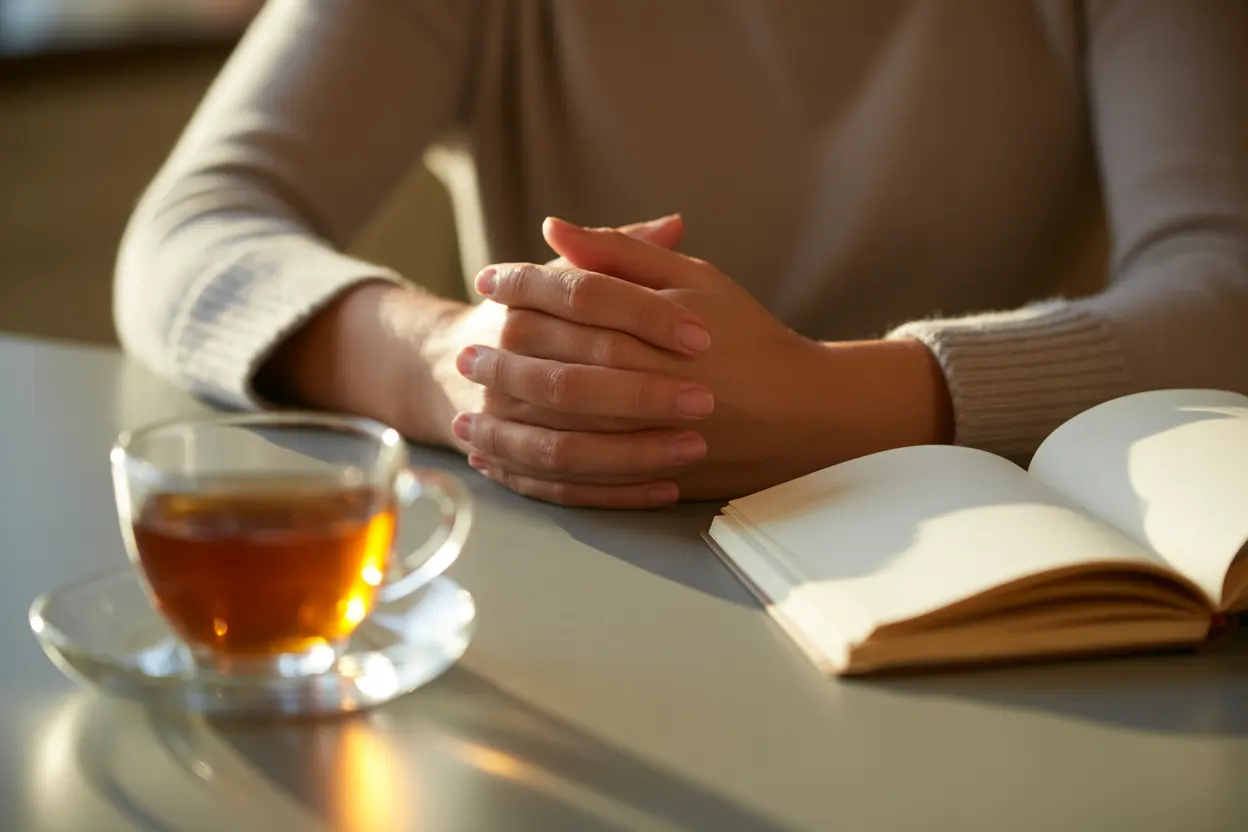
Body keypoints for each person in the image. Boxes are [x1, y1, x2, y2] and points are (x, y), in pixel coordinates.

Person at [115, 0, 1248, 509]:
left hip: (1013, 592)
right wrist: (458, 362)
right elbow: (190, 234)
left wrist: (839, 399)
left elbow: (1224, 285)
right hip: (588, 585)